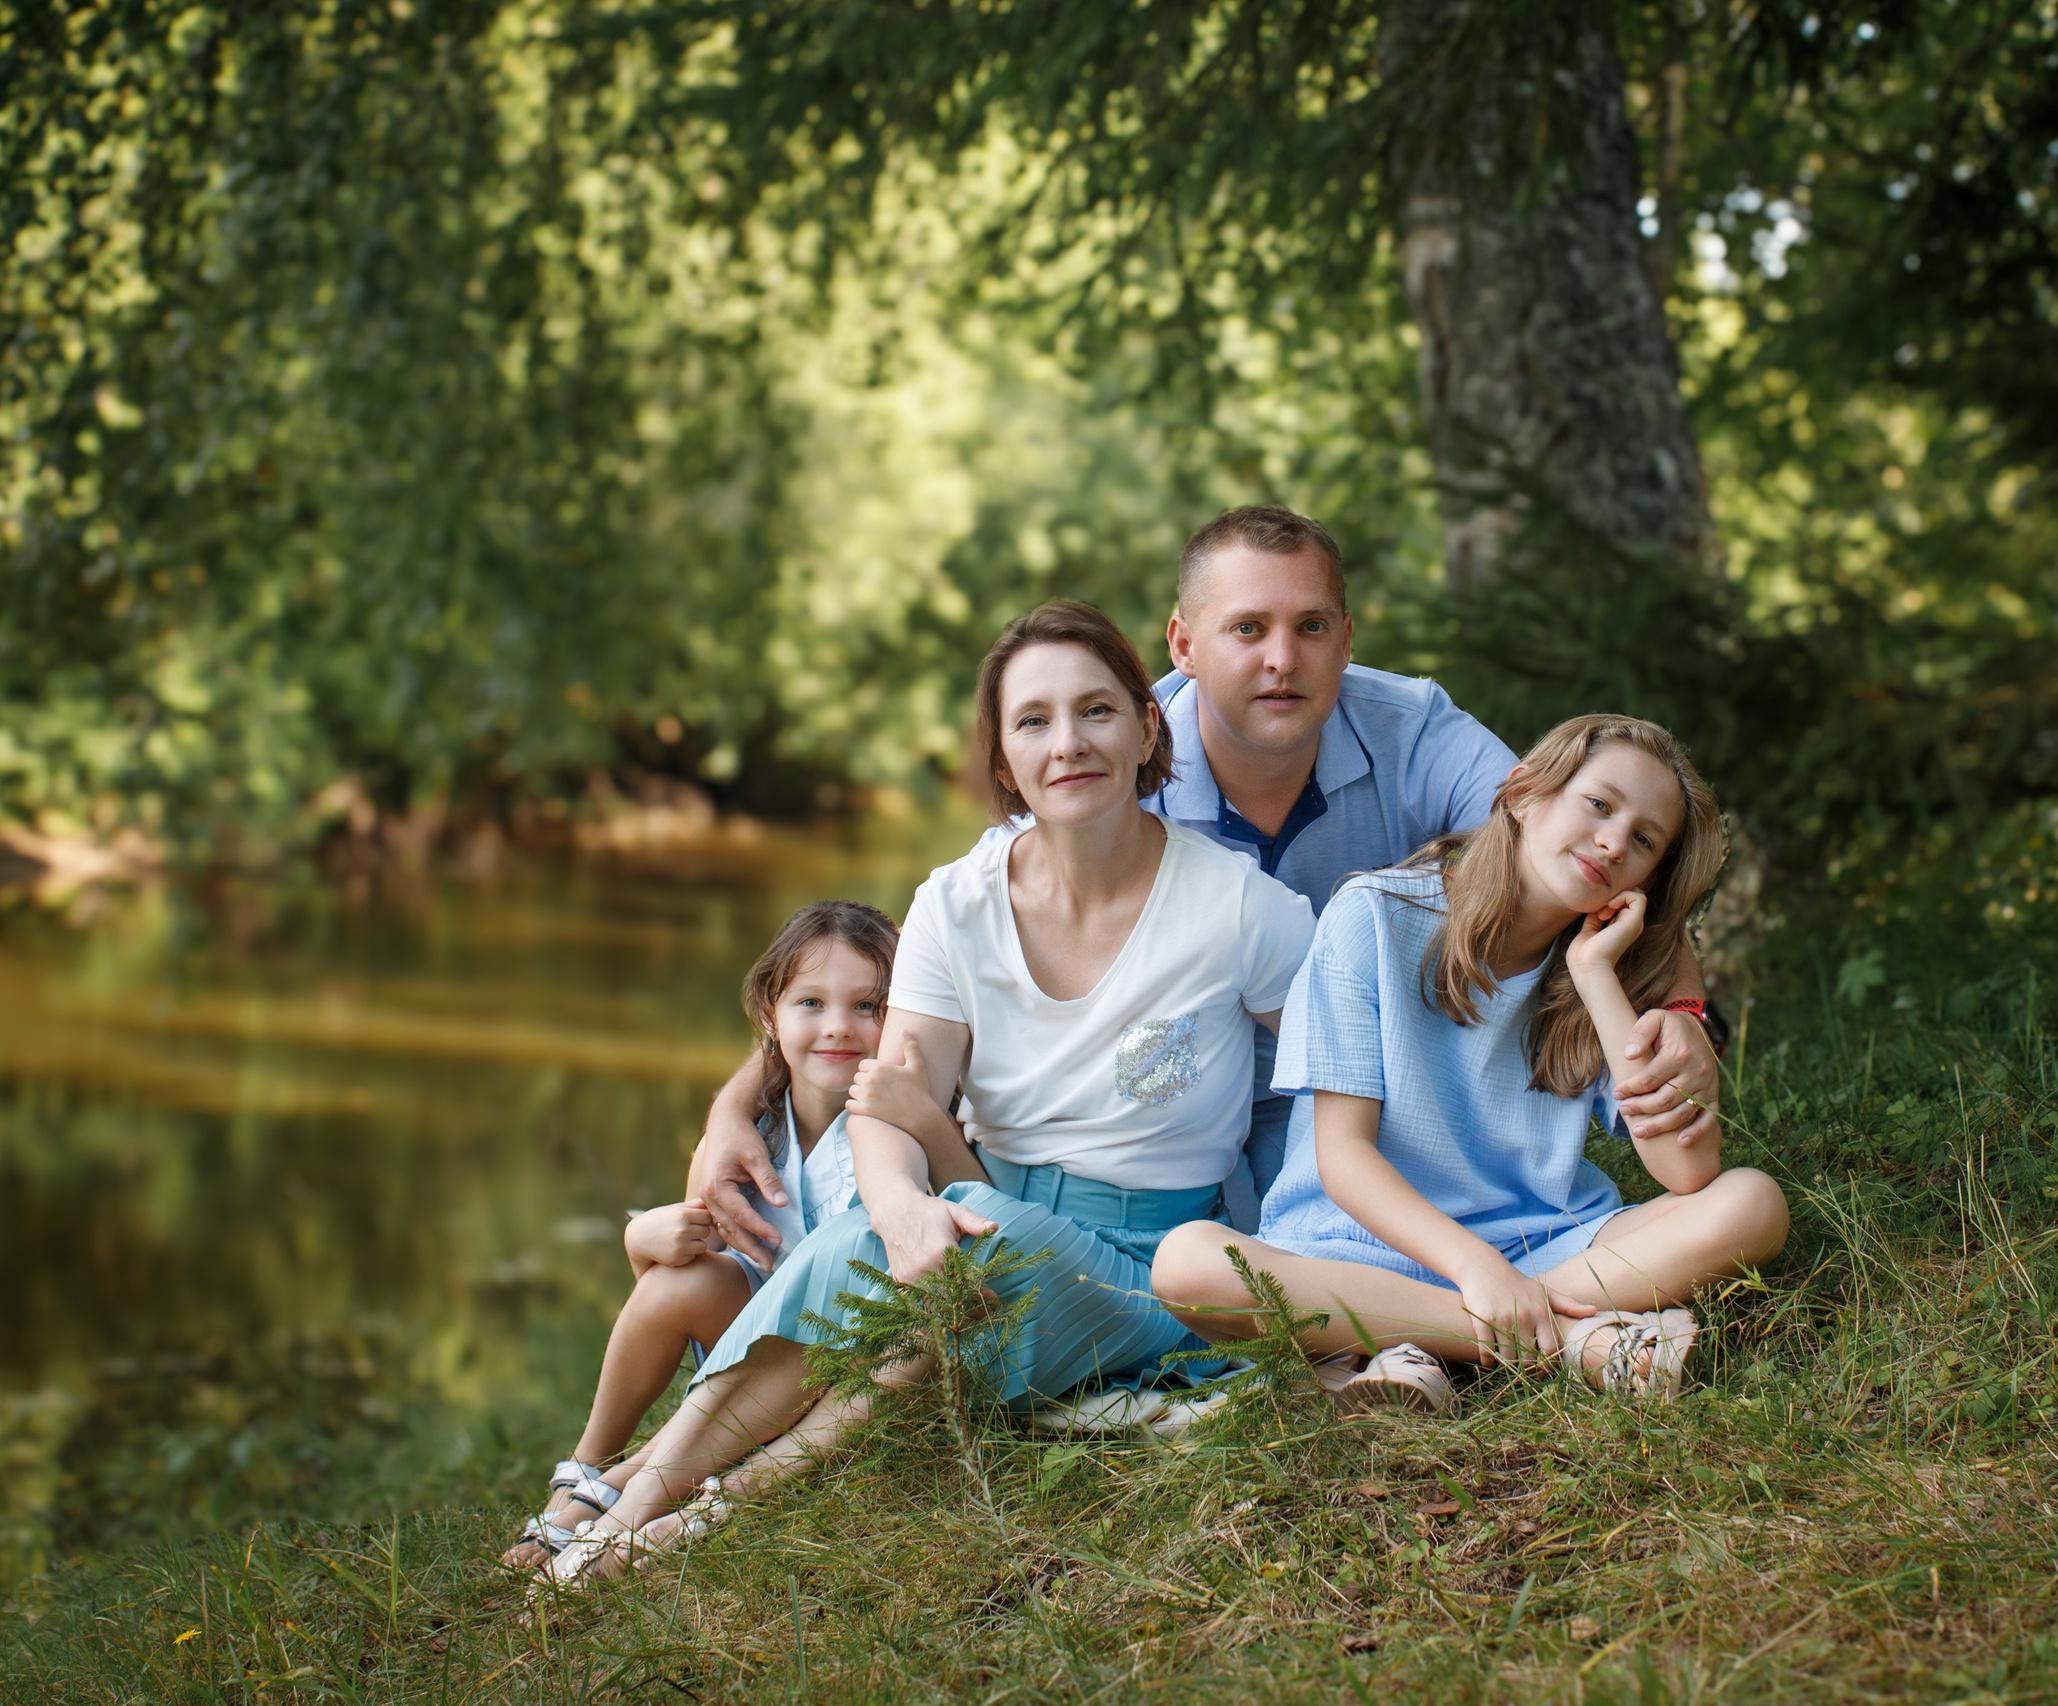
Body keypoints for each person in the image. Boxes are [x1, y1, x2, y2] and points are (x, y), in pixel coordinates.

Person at [683, 506, 1723, 1252]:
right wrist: (747, 1093)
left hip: (1380, 1086)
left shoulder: (1416, 733)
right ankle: (723, 1265)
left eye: (1310, 626)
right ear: (1183, 645)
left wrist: (1673, 1007)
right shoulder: (1106, 764)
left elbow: (1582, 851)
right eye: (1247, 629)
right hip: (1202, 1110)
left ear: (1345, 640)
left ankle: (1447, 1297)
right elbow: (937, 986)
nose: (1282, 657)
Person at [538, 602, 1315, 1585]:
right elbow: (891, 1097)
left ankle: (678, 1521)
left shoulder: (1237, 907)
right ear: (999, 755)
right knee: (888, 1237)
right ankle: (631, 1515)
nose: (1067, 742)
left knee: (974, 1238)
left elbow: (1352, 1074)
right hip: (981, 1207)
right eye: (1031, 720)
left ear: (1146, 726)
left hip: (1145, 1270)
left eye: (1096, 711)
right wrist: (902, 1208)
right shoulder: (957, 900)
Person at [1150, 716, 1790, 1412]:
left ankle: (1419, 1345)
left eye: (1643, 840)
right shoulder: (1372, 915)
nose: (1612, 841)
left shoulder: (1611, 969)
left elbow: (1686, 1172)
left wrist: (1597, 977)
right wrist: (1475, 1270)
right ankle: (1577, 1340)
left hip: (1538, 1243)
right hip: (1357, 1252)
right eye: (1599, 805)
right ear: (1522, 794)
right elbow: (1343, 1157)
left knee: (1750, 1203)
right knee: (1189, 1263)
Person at [498, 900, 955, 1569]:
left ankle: (618, 1491)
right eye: (810, 1003)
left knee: (799, 1352)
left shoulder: (910, 1119)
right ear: (769, 1015)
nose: (838, 1027)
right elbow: (677, 1285)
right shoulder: (747, 1135)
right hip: (748, 1346)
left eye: (868, 1005)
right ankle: (589, 1465)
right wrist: (642, 1242)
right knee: (679, 1282)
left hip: (854, 1350)